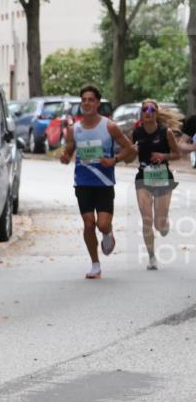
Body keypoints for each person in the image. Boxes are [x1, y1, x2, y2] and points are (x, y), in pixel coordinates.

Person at [59, 84, 137, 279]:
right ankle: (95, 264)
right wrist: (65, 157)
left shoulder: (109, 126)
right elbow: (68, 151)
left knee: (102, 224)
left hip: (104, 183)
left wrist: (114, 160)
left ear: (98, 103)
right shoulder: (74, 129)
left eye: (90, 99)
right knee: (88, 223)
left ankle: (108, 233)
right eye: (83, 100)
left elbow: (130, 149)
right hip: (83, 182)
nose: (87, 103)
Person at [131, 100, 182, 270]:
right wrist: (131, 151)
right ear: (142, 113)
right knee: (146, 219)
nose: (149, 112)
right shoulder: (136, 132)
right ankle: (152, 257)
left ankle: (163, 224)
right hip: (143, 179)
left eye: (152, 109)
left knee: (159, 225)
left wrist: (163, 156)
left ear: (156, 113)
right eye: (145, 109)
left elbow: (177, 155)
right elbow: (130, 157)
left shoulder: (165, 132)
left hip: (162, 178)